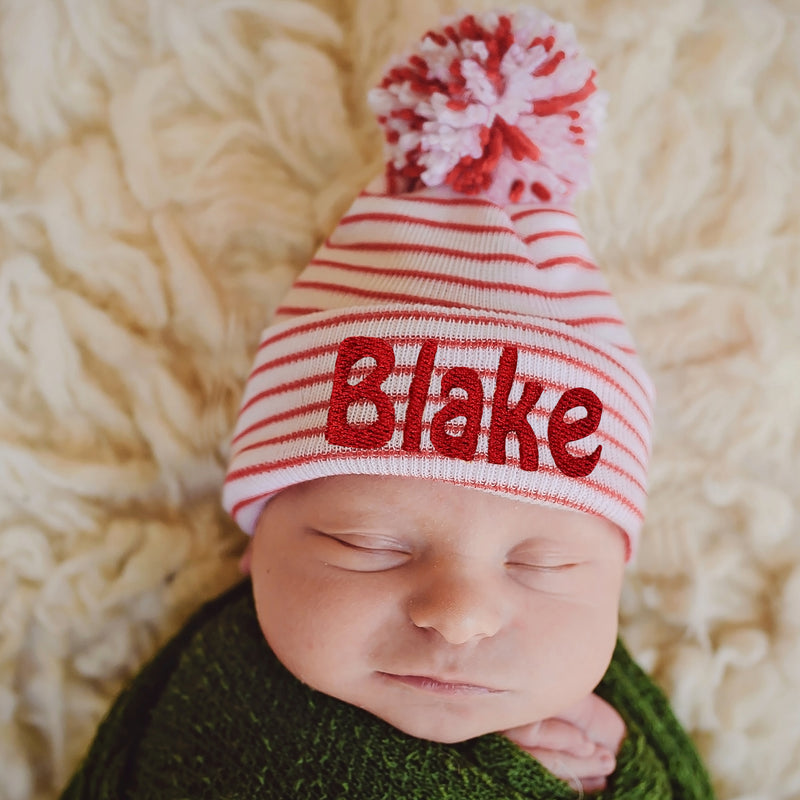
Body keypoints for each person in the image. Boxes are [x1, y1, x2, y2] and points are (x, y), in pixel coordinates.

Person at [60, 8, 715, 798]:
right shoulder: (220, 708)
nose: (461, 614)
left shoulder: (613, 728)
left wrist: (612, 773)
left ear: (615, 581)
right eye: (370, 545)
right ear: (256, 542)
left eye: (544, 566)